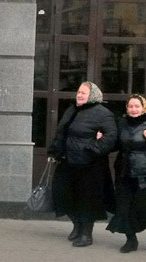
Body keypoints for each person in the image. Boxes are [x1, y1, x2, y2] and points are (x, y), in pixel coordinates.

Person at [47, 81, 117, 247]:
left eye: (84, 93)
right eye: (79, 92)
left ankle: (86, 234)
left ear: (92, 95)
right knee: (63, 194)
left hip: (90, 166)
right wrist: (54, 151)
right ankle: (77, 226)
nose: (79, 95)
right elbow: (61, 133)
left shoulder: (103, 113)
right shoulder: (72, 110)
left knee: (87, 200)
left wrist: (91, 149)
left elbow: (111, 138)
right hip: (67, 161)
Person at [106, 94, 146, 253]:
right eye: (130, 106)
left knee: (142, 208)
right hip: (124, 172)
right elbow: (115, 144)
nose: (134, 109)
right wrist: (102, 138)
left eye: (137, 106)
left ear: (144, 107)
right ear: (127, 108)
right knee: (123, 208)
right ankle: (131, 240)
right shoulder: (122, 124)